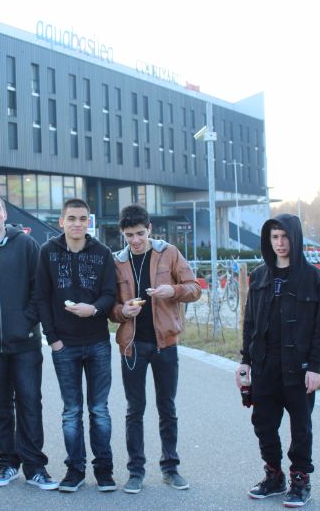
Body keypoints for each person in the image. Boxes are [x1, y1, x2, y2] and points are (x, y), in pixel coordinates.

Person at [236, 214, 320, 508]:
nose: (280, 243)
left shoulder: (312, 278)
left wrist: (315, 366)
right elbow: (250, 322)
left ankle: (300, 480)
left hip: (298, 367)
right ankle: (274, 475)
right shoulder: (259, 276)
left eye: (285, 236)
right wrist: (245, 361)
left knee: (300, 427)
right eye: (274, 237)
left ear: (295, 238)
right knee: (263, 423)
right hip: (264, 365)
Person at [0, 194, 57, 491]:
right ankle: (7, 463)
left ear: (5, 215)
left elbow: (39, 288)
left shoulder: (26, 245)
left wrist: (25, 322)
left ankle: (35, 467)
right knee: (0, 407)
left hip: (25, 343)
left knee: (30, 404)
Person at [109, 204, 202, 494]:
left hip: (166, 344)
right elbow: (110, 307)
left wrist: (173, 291)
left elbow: (194, 288)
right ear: (122, 234)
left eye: (140, 233)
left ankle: (170, 468)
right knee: (134, 410)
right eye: (129, 235)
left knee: (167, 407)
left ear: (149, 229)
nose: (135, 240)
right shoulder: (117, 262)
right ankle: (135, 472)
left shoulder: (169, 253)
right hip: (132, 346)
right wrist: (123, 311)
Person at [35, 198, 117, 493]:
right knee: (71, 411)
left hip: (97, 342)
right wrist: (52, 339)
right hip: (64, 345)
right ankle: (75, 469)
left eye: (83, 218)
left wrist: (94, 309)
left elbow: (110, 293)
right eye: (72, 218)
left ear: (89, 222)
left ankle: (104, 470)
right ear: (62, 222)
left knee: (99, 410)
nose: (77, 224)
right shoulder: (47, 252)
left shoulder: (102, 253)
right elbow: (41, 297)